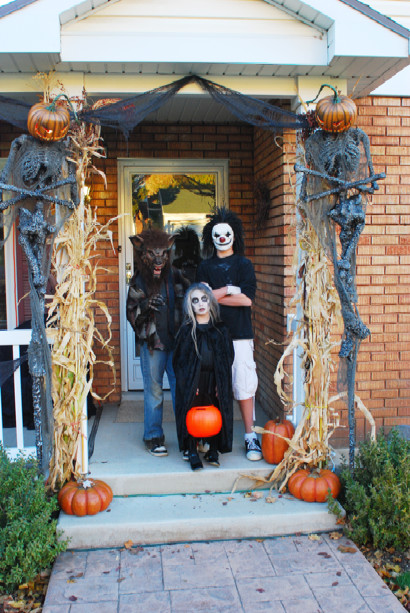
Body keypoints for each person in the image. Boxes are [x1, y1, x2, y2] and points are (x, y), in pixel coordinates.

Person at [196, 207, 262, 461]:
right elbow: (202, 299)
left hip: (240, 335)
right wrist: (229, 289)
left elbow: (247, 300)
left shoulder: (244, 265)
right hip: (212, 335)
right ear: (211, 237)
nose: (222, 238)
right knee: (212, 386)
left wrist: (215, 295)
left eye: (226, 233)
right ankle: (210, 436)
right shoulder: (205, 267)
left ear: (234, 235)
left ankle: (250, 436)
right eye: (217, 234)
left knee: (244, 385)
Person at [126, 228, 189, 457]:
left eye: (163, 253)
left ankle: (187, 439)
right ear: (143, 252)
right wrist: (145, 306)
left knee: (182, 390)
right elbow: (131, 311)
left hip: (177, 342)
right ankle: (153, 436)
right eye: (153, 253)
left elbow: (192, 302)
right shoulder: (139, 280)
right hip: (154, 344)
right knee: (154, 392)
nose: (159, 259)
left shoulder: (177, 276)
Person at [173, 283, 234, 471]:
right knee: (192, 412)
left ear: (210, 302)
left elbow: (228, 356)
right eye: (195, 300)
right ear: (190, 305)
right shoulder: (187, 331)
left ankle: (213, 449)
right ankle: (192, 450)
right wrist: (189, 382)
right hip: (194, 379)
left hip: (215, 378)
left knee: (216, 411)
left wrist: (221, 381)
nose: (200, 304)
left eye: (204, 299)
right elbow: (179, 361)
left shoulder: (220, 329)